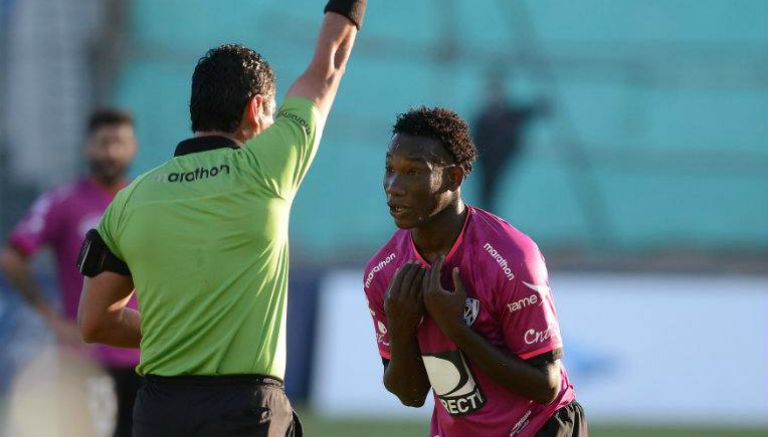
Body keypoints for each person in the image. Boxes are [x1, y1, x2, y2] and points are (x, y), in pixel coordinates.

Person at [75, 1, 367, 435]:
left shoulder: (130, 200)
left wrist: (179, 331)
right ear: (256, 109)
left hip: (159, 413)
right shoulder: (266, 168)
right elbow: (329, 64)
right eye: (272, 112)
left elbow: (95, 322)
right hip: (247, 411)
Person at [363, 107, 587, 436]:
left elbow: (545, 386)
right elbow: (411, 395)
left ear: (454, 177)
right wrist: (401, 327)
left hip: (541, 426)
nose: (394, 186)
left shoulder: (511, 258)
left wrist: (457, 329)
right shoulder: (382, 273)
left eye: (413, 172)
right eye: (390, 169)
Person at [0, 108, 141, 437]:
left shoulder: (144, 200)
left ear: (133, 147)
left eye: (119, 143)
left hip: (144, 356)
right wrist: (53, 318)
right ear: (87, 147)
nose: (111, 152)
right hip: (87, 358)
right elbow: (12, 257)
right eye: (103, 143)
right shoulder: (64, 201)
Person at [473, 70, 549, 212]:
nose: (494, 96)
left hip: (503, 158)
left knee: (490, 194)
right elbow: (475, 143)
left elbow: (535, 110)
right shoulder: (483, 119)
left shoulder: (511, 114)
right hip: (488, 162)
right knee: (488, 194)